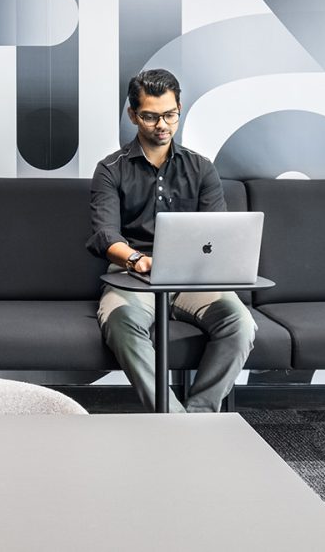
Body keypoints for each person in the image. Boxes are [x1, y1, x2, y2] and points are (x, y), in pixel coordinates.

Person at [89, 68, 256, 412]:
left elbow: (217, 233)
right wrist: (138, 260)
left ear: (179, 108)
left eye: (169, 114)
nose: (161, 124)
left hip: (192, 278)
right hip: (132, 276)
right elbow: (106, 234)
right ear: (133, 115)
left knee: (241, 324)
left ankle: (198, 416)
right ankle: (174, 420)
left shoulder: (201, 168)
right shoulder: (111, 169)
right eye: (150, 116)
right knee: (121, 323)